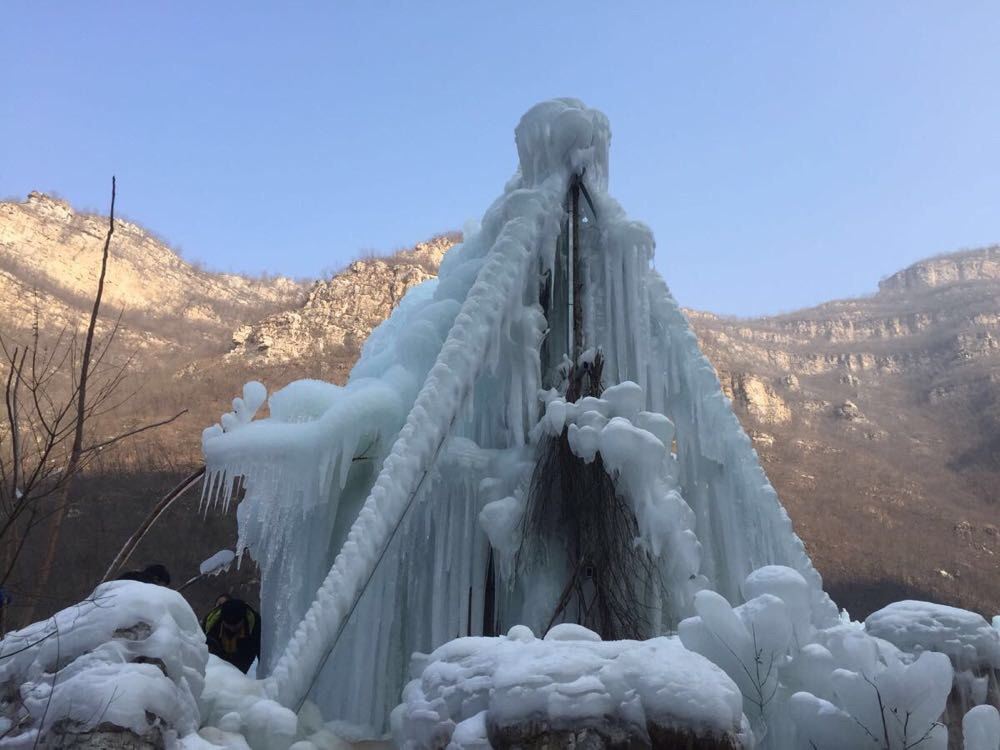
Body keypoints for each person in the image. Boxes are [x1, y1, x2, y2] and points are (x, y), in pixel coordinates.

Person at [202, 597, 261, 673]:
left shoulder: (255, 626)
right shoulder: (211, 626)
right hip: (216, 664)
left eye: (236, 626)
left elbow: (260, 653)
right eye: (228, 625)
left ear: (243, 620)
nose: (232, 629)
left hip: (242, 662)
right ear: (222, 620)